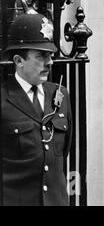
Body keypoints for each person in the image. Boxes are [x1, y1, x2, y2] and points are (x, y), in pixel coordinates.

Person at [1, 13, 72, 206]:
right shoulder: (3, 100)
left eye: (50, 55)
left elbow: (63, 152)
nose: (50, 62)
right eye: (41, 56)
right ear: (18, 61)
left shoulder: (61, 95)